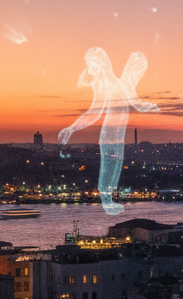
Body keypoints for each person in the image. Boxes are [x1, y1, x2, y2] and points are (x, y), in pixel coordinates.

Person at [58, 47, 157, 215]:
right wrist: (71, 128)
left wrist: (144, 106)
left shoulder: (111, 82)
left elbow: (132, 99)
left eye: (91, 63)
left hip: (117, 135)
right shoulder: (104, 83)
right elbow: (94, 113)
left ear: (100, 63)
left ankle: (108, 200)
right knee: (109, 168)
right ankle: (107, 201)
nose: (89, 67)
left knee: (114, 168)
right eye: (88, 63)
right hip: (111, 136)